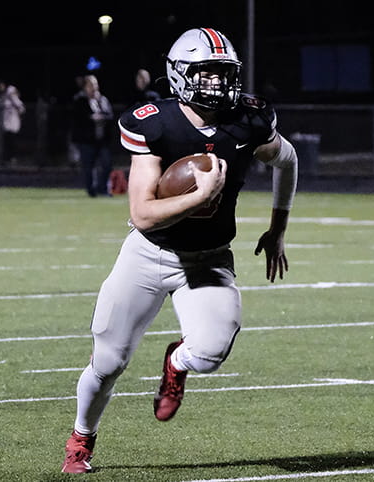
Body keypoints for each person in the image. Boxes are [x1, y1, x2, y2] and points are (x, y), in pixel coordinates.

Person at [60, 27, 299, 474]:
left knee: (209, 352)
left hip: (209, 258)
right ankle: (81, 438)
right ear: (180, 74)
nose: (218, 84)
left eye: (224, 74)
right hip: (148, 254)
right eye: (206, 74)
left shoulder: (248, 119)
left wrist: (278, 228)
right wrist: (198, 196)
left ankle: (176, 360)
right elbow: (144, 214)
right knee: (108, 363)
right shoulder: (153, 120)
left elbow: (288, 160)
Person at [71, 74, 114, 197]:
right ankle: (91, 190)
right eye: (90, 85)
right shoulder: (80, 100)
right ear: (85, 87)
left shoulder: (102, 100)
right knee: (88, 167)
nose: (94, 88)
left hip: (102, 139)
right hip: (86, 140)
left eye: (95, 85)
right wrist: (91, 118)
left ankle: (102, 188)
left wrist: (102, 117)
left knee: (106, 164)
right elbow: (77, 118)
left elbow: (110, 115)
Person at [0, 79, 26, 166]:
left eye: (2, 85)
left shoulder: (9, 96)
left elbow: (20, 107)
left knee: (8, 142)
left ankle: (6, 159)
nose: (1, 87)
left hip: (7, 124)